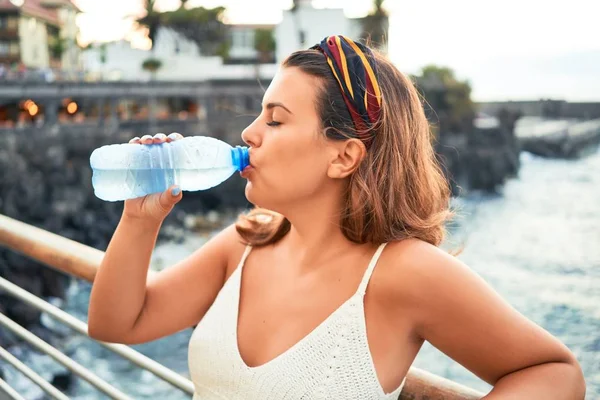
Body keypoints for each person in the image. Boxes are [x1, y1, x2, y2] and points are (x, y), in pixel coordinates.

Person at [87, 35, 585, 399]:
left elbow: (555, 372)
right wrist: (140, 218)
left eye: (276, 119)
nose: (249, 133)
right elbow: (116, 323)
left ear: (344, 156)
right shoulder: (244, 244)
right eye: (260, 115)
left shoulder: (404, 272)